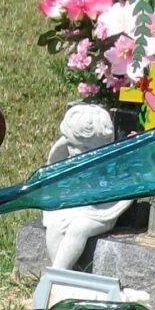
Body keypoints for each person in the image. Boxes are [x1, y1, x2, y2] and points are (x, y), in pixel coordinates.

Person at [43, 103, 133, 270]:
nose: (76, 152)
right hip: (74, 203)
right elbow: (52, 172)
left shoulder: (112, 160)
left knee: (78, 228)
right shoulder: (68, 152)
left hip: (100, 210)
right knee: (55, 224)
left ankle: (57, 275)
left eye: (83, 148)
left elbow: (125, 187)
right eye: (72, 146)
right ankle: (62, 274)